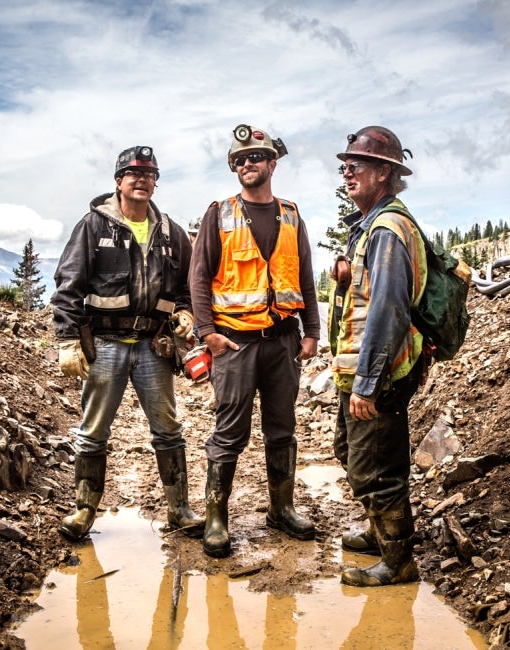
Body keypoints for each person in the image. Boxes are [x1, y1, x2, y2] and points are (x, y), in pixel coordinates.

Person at [51, 145, 203, 542]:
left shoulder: (170, 232)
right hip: (105, 344)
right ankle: (84, 509)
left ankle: (179, 508)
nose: (142, 180)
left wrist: (186, 314)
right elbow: (69, 285)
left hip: (154, 345)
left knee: (168, 429)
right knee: (93, 431)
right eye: (133, 174)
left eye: (149, 174)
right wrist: (67, 339)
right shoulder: (94, 226)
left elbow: (187, 286)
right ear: (118, 181)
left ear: (155, 182)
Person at [189, 124, 320, 558]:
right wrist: (208, 333)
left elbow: (304, 277)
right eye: (240, 160)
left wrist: (312, 331)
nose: (248, 164)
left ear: (272, 164)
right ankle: (215, 518)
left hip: (283, 342)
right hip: (235, 344)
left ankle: (281, 509)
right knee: (229, 433)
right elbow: (199, 277)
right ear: (234, 167)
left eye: (256, 157)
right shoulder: (219, 213)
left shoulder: (291, 214)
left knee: (282, 430)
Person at [329, 126, 430, 587]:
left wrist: (369, 382)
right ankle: (377, 532)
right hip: (361, 367)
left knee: (377, 468)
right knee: (351, 452)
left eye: (357, 166)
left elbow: (388, 309)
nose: (347, 173)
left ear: (385, 173)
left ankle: (398, 560)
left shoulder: (388, 229)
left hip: (380, 372)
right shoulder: (371, 226)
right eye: (344, 166)